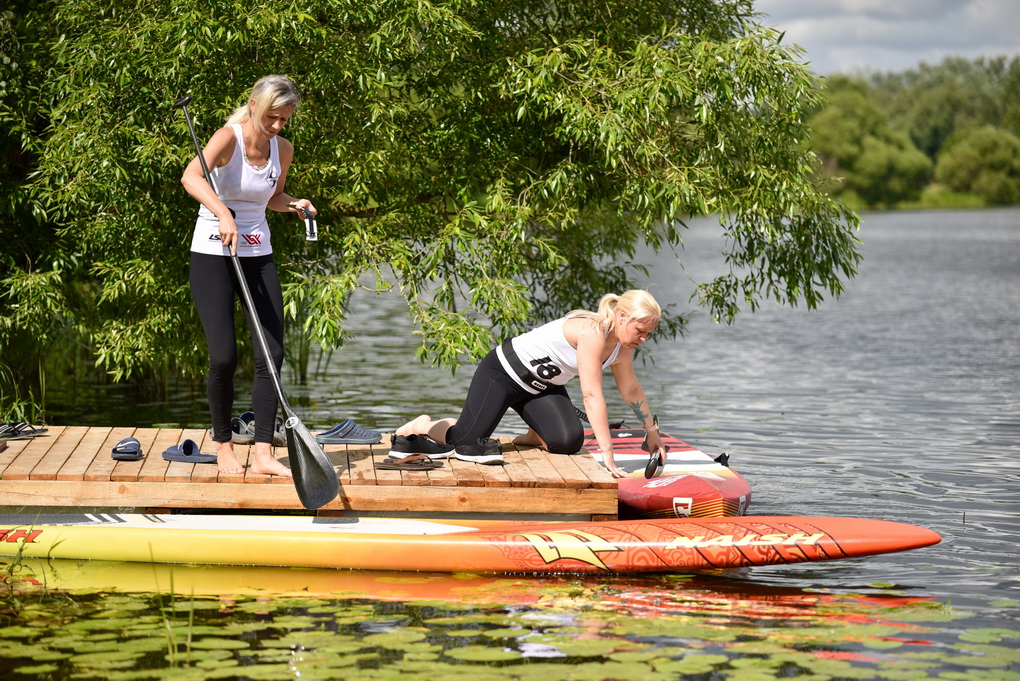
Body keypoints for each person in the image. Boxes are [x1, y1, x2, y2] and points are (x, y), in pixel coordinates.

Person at [181, 75, 316, 477]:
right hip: (214, 254)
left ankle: (262, 454)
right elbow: (191, 177)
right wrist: (223, 212)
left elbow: (272, 196)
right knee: (224, 356)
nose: (276, 126)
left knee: (271, 355)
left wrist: (295, 204)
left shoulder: (282, 149)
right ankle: (223, 445)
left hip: (258, 254)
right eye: (272, 117)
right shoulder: (228, 138)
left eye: (284, 120)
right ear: (255, 105)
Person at [392, 290, 667, 477]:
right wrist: (607, 454)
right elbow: (592, 396)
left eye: (648, 334)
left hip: (542, 387)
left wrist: (652, 432)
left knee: (568, 442)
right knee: (463, 443)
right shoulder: (592, 331)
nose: (643, 339)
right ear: (622, 317)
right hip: (503, 374)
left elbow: (631, 390)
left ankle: (535, 434)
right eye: (640, 331)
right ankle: (422, 426)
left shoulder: (621, 350)